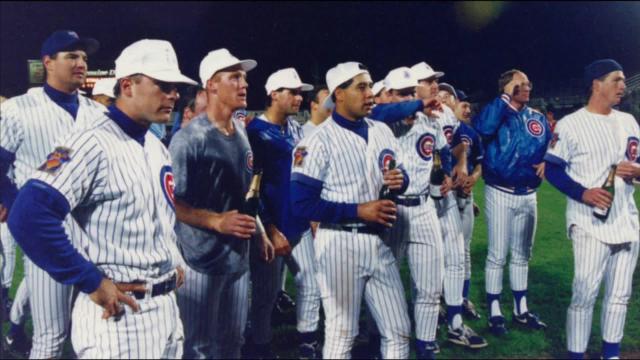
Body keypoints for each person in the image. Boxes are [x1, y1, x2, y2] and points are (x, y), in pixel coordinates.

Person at [8, 38, 197, 358]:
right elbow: (28, 214)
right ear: (127, 85)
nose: (174, 95)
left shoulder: (155, 145)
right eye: (163, 85)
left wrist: (173, 258)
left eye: (175, 87)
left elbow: (156, 216)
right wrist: (90, 280)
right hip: (118, 317)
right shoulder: (89, 142)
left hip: (165, 309)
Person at [290, 61, 412, 359]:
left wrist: (401, 180)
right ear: (339, 94)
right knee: (342, 333)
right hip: (339, 243)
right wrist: (358, 210)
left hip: (379, 241)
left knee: (398, 330)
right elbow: (301, 203)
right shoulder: (317, 140)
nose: (370, 92)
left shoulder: (381, 130)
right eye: (361, 86)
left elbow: (402, 175)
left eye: (370, 85)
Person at [0, 29, 104, 359]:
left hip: (95, 236)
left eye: (84, 57)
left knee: (95, 332)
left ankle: (15, 327)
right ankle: (17, 330)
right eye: (71, 56)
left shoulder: (98, 114)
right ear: (48, 62)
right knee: (51, 336)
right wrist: (11, 203)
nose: (81, 63)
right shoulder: (18, 109)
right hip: (46, 233)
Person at [170, 48, 272, 359]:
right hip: (200, 259)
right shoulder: (189, 139)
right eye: (234, 77)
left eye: (243, 77)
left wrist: (259, 232)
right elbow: (171, 201)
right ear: (211, 86)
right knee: (198, 348)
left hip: (237, 259)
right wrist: (215, 221)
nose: (244, 84)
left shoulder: (241, 131)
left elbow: (244, 195)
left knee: (233, 343)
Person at [544, 59, 639, 360]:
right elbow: (552, 170)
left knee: (619, 295)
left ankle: (610, 354)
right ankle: (576, 354)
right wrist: (582, 192)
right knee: (584, 293)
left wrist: (635, 170)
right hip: (588, 222)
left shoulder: (629, 122)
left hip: (625, 217)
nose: (623, 86)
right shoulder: (571, 124)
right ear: (596, 84)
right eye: (616, 79)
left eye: (624, 80)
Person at [411, 62, 487, 350]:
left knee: (456, 258)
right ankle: (423, 328)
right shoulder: (405, 115)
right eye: (428, 81)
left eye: (436, 81)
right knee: (423, 269)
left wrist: (463, 165)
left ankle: (455, 324)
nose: (436, 86)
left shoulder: (444, 113)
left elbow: (457, 145)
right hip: (416, 203)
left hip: (445, 199)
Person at [472, 69, 551, 336]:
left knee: (521, 256)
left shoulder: (537, 117)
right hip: (500, 191)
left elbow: (547, 147)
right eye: (520, 84)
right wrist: (505, 99)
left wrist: (547, 160)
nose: (527, 87)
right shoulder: (495, 112)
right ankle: (495, 312)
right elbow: (482, 129)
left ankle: (521, 310)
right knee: (497, 255)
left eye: (529, 83)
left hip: (529, 193)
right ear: (506, 88)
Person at [380, 66, 449, 358]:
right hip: (390, 211)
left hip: (423, 208)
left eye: (412, 92)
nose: (408, 98)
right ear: (389, 95)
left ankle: (426, 344)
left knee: (430, 286)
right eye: (402, 94)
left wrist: (446, 172)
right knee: (383, 286)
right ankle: (379, 339)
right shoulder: (379, 123)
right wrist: (417, 102)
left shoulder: (429, 121)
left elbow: (442, 150)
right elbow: (382, 114)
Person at [245, 67, 313, 358]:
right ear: (274, 94)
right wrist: (269, 229)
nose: (299, 98)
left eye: (300, 92)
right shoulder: (254, 133)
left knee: (311, 282)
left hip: (299, 224)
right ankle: (259, 346)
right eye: (293, 92)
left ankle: (307, 341)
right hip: (271, 228)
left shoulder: (296, 128)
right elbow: (251, 190)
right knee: (265, 296)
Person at [449, 88, 483, 320]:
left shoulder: (471, 133)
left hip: (466, 195)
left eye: (468, 106)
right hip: (445, 197)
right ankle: (443, 300)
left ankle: (462, 298)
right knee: (446, 253)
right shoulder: (437, 131)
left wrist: (473, 179)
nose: (467, 109)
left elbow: (479, 164)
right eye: (463, 105)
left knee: (465, 251)